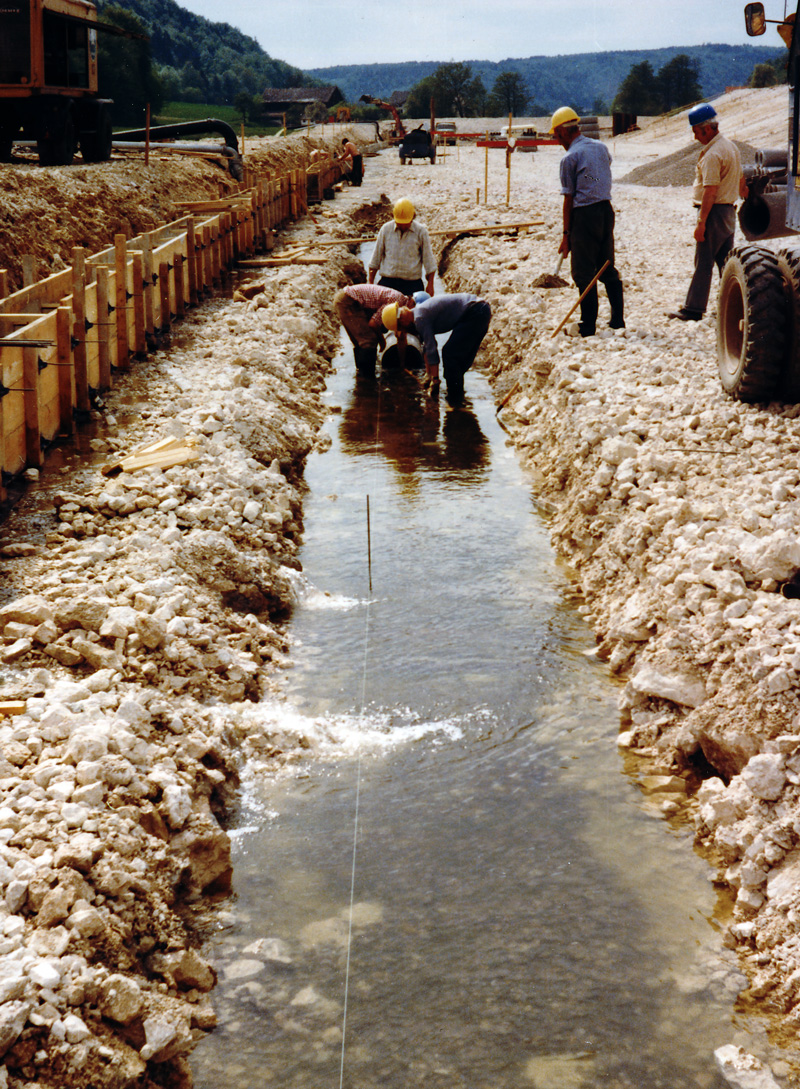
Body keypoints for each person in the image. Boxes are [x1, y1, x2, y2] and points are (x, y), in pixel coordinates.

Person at [668, 103, 747, 322]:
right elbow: (741, 181)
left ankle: (693, 309)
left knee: (703, 262)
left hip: (714, 213)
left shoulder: (713, 154)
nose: (695, 137)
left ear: (708, 129)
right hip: (728, 212)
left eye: (696, 131)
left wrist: (701, 223)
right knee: (725, 262)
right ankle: (733, 306)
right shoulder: (731, 147)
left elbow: (710, 191)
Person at [551, 106, 624, 338]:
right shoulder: (600, 148)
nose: (557, 141)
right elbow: (596, 174)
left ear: (563, 133)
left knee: (584, 271)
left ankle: (588, 324)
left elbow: (568, 198)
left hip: (584, 215)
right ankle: (617, 320)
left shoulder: (569, 157)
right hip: (606, 211)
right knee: (606, 265)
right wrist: (590, 179)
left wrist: (566, 234)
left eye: (556, 136)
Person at [382, 293, 491, 407]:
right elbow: (426, 346)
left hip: (474, 312)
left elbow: (431, 348)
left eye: (400, 327)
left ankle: (455, 401)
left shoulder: (420, 318)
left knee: (450, 354)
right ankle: (458, 398)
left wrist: (435, 380)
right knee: (458, 359)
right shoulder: (418, 312)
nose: (404, 330)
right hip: (480, 309)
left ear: (402, 321)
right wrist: (428, 374)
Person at [334, 282, 413, 374]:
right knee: (368, 340)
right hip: (348, 300)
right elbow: (373, 323)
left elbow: (401, 337)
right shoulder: (396, 302)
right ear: (412, 303)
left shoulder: (402, 310)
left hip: (352, 300)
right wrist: (382, 340)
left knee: (362, 341)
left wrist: (402, 366)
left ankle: (361, 375)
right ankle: (367, 378)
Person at [368, 198, 436, 297]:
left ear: (412, 218)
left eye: (406, 224)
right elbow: (375, 259)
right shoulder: (385, 230)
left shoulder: (421, 232)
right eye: (400, 224)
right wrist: (370, 282)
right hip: (388, 283)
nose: (403, 227)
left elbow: (429, 262)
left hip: (412, 284)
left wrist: (430, 284)